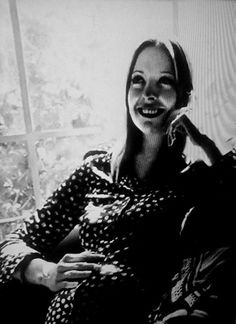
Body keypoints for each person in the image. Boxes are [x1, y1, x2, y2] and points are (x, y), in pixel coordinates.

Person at [0, 38, 235, 324]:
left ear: (183, 97)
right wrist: (47, 273)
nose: (148, 93)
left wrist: (205, 144)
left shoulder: (189, 181)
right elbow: (12, 243)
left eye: (164, 82)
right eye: (138, 80)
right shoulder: (93, 171)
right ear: (126, 92)